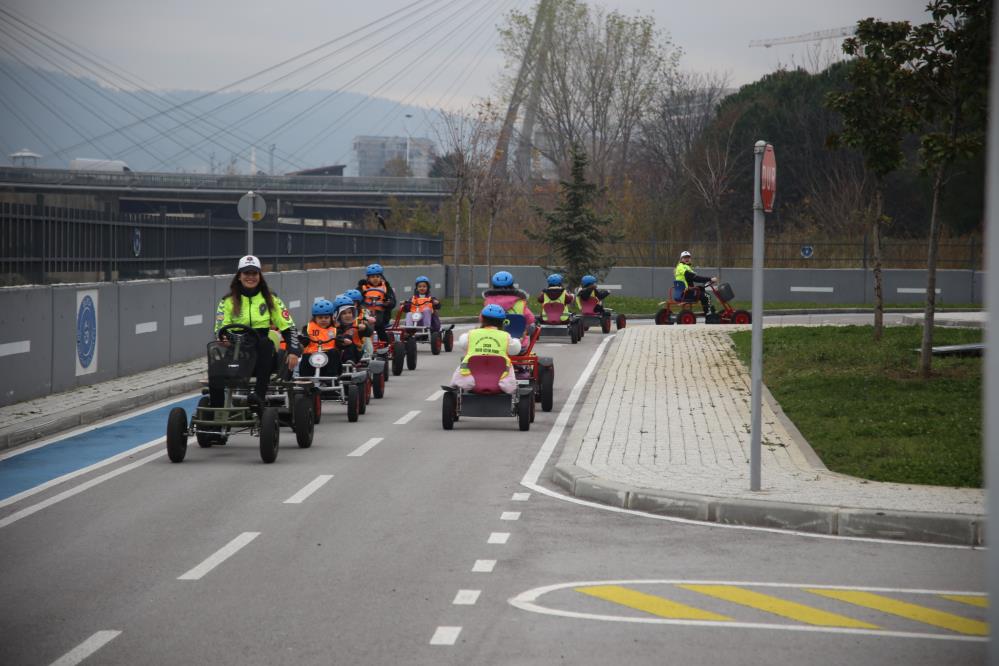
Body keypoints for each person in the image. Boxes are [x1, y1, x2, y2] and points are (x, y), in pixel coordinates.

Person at [212, 255, 301, 409]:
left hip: (262, 355)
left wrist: (294, 351)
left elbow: (289, 327)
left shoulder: (270, 299)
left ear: (260, 276)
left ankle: (258, 398)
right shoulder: (227, 301)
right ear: (239, 276)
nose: (250, 277)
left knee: (266, 344)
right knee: (215, 363)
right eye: (246, 273)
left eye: (254, 273)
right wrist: (223, 338)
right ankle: (215, 414)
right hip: (237, 353)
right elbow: (219, 329)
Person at [451, 304, 522, 395]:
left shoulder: (471, 334)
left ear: (482, 319)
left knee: (465, 362)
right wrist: (517, 340)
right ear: (503, 322)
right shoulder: (506, 336)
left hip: (469, 380)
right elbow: (515, 350)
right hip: (501, 381)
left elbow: (463, 343)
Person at [482, 270, 535, 343]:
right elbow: (531, 320)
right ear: (512, 284)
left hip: (493, 344)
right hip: (517, 345)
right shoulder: (520, 302)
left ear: (493, 285)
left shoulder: (488, 302)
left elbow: (482, 319)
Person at [298, 298, 339, 378]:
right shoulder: (307, 328)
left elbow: (340, 339)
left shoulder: (335, 330)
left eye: (326, 317)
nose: (323, 320)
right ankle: (304, 378)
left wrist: (343, 341)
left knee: (334, 353)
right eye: (320, 318)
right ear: (315, 318)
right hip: (312, 354)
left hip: (328, 356)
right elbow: (304, 337)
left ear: (331, 318)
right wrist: (302, 340)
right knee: (305, 356)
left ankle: (330, 378)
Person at [357, 263, 397, 341]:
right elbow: (355, 298)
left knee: (379, 325)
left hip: (381, 313)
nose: (375, 279)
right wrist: (361, 298)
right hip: (365, 312)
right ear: (368, 278)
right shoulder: (363, 287)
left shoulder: (386, 288)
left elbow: (393, 301)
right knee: (361, 325)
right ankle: (360, 341)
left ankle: (385, 343)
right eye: (372, 277)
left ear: (381, 277)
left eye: (377, 276)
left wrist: (388, 303)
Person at [332, 294, 372, 366]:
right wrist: (342, 340)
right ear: (337, 315)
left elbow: (369, 333)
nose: (347, 315)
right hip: (338, 353)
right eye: (344, 313)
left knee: (349, 338)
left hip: (355, 353)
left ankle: (350, 361)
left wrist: (365, 327)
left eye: (349, 312)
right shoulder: (334, 327)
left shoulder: (357, 324)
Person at [674, 250, 716, 315]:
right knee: (707, 296)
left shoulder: (680, 267)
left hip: (681, 293)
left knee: (701, 289)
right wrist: (710, 279)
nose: (687, 259)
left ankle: (707, 311)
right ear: (681, 259)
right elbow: (696, 278)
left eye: (688, 257)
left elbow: (692, 279)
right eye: (685, 257)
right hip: (687, 293)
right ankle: (709, 315)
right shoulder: (684, 268)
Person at [344, 288, 375, 357]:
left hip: (360, 334)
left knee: (366, 339)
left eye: (353, 303)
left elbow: (369, 326)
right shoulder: (342, 312)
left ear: (358, 303)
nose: (351, 305)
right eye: (349, 303)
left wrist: (366, 324)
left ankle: (367, 356)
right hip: (345, 334)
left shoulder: (363, 312)